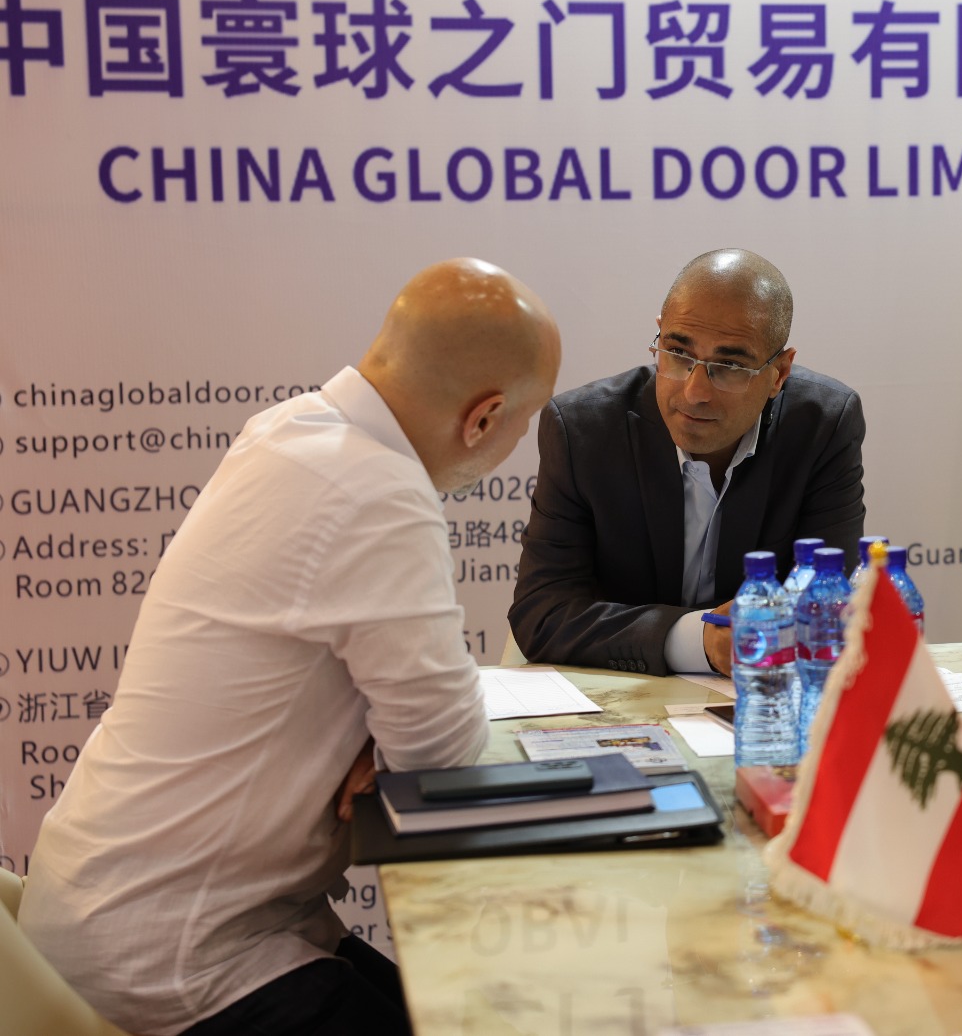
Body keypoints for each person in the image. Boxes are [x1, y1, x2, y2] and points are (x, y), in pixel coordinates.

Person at [19, 258, 562, 1036]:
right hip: (179, 961)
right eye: (524, 424)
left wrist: (382, 734)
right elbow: (441, 758)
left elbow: (409, 727)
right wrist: (396, 737)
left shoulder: (290, 429)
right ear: (484, 418)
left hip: (113, 912)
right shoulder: (381, 492)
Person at [509, 248, 865, 677]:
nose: (695, 392)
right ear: (659, 337)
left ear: (779, 374)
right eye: (678, 353)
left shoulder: (823, 426)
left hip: (756, 694)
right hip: (623, 687)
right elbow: (542, 613)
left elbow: (825, 603)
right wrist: (698, 641)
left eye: (729, 365)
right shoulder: (583, 430)